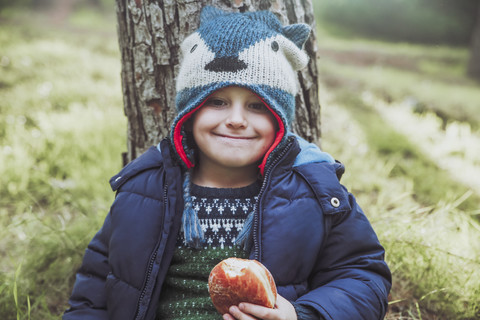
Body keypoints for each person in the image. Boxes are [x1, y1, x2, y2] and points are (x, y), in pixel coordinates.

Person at [63, 6, 391, 320]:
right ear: (189, 113)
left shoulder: (314, 191)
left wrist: (300, 314)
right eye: (217, 102)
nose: (236, 120)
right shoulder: (145, 188)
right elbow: (95, 288)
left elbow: (363, 275)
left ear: (280, 119)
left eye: (257, 106)